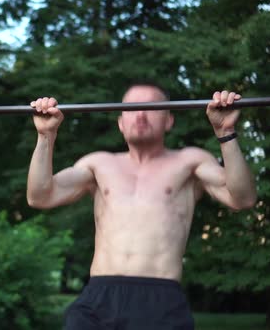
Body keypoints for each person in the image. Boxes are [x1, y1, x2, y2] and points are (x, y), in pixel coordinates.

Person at [26, 84, 257, 330]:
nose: (141, 115)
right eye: (132, 109)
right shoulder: (98, 164)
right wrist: (45, 136)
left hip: (160, 300)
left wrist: (226, 132)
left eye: (151, 108)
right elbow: (40, 196)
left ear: (169, 120)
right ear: (120, 123)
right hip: (98, 299)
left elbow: (242, 198)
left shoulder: (190, 161)